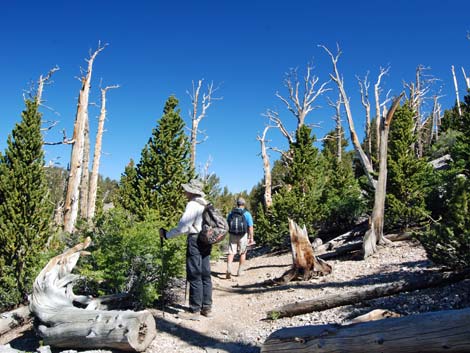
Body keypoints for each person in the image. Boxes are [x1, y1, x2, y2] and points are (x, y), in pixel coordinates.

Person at [159, 179, 213, 319]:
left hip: (195, 239)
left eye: (186, 189)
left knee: (194, 273)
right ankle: (206, 307)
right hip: (207, 239)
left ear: (191, 191)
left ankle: (194, 309)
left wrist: (167, 235)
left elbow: (183, 226)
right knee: (205, 273)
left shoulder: (193, 205)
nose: (184, 192)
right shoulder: (206, 204)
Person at [226, 197, 254, 279]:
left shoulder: (231, 213)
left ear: (237, 204)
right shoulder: (247, 213)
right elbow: (250, 227)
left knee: (231, 252)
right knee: (242, 253)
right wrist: (251, 237)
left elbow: (227, 223)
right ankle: (240, 271)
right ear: (244, 204)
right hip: (243, 235)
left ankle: (228, 269)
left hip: (232, 234)